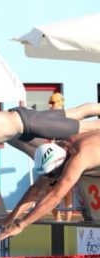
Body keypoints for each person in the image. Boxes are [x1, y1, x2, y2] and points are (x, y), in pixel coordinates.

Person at [0, 130, 100, 242]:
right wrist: (10, 218)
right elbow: (37, 189)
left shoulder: (79, 156)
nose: (51, 178)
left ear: (60, 164)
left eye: (52, 174)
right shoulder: (59, 149)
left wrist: (21, 225)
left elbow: (55, 197)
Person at [48, 92, 73, 222]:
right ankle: (57, 219)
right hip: (53, 160)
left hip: (65, 158)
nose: (49, 105)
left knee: (67, 191)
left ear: (59, 103)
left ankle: (68, 221)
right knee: (50, 190)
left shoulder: (68, 119)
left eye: (52, 103)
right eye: (49, 103)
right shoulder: (49, 120)